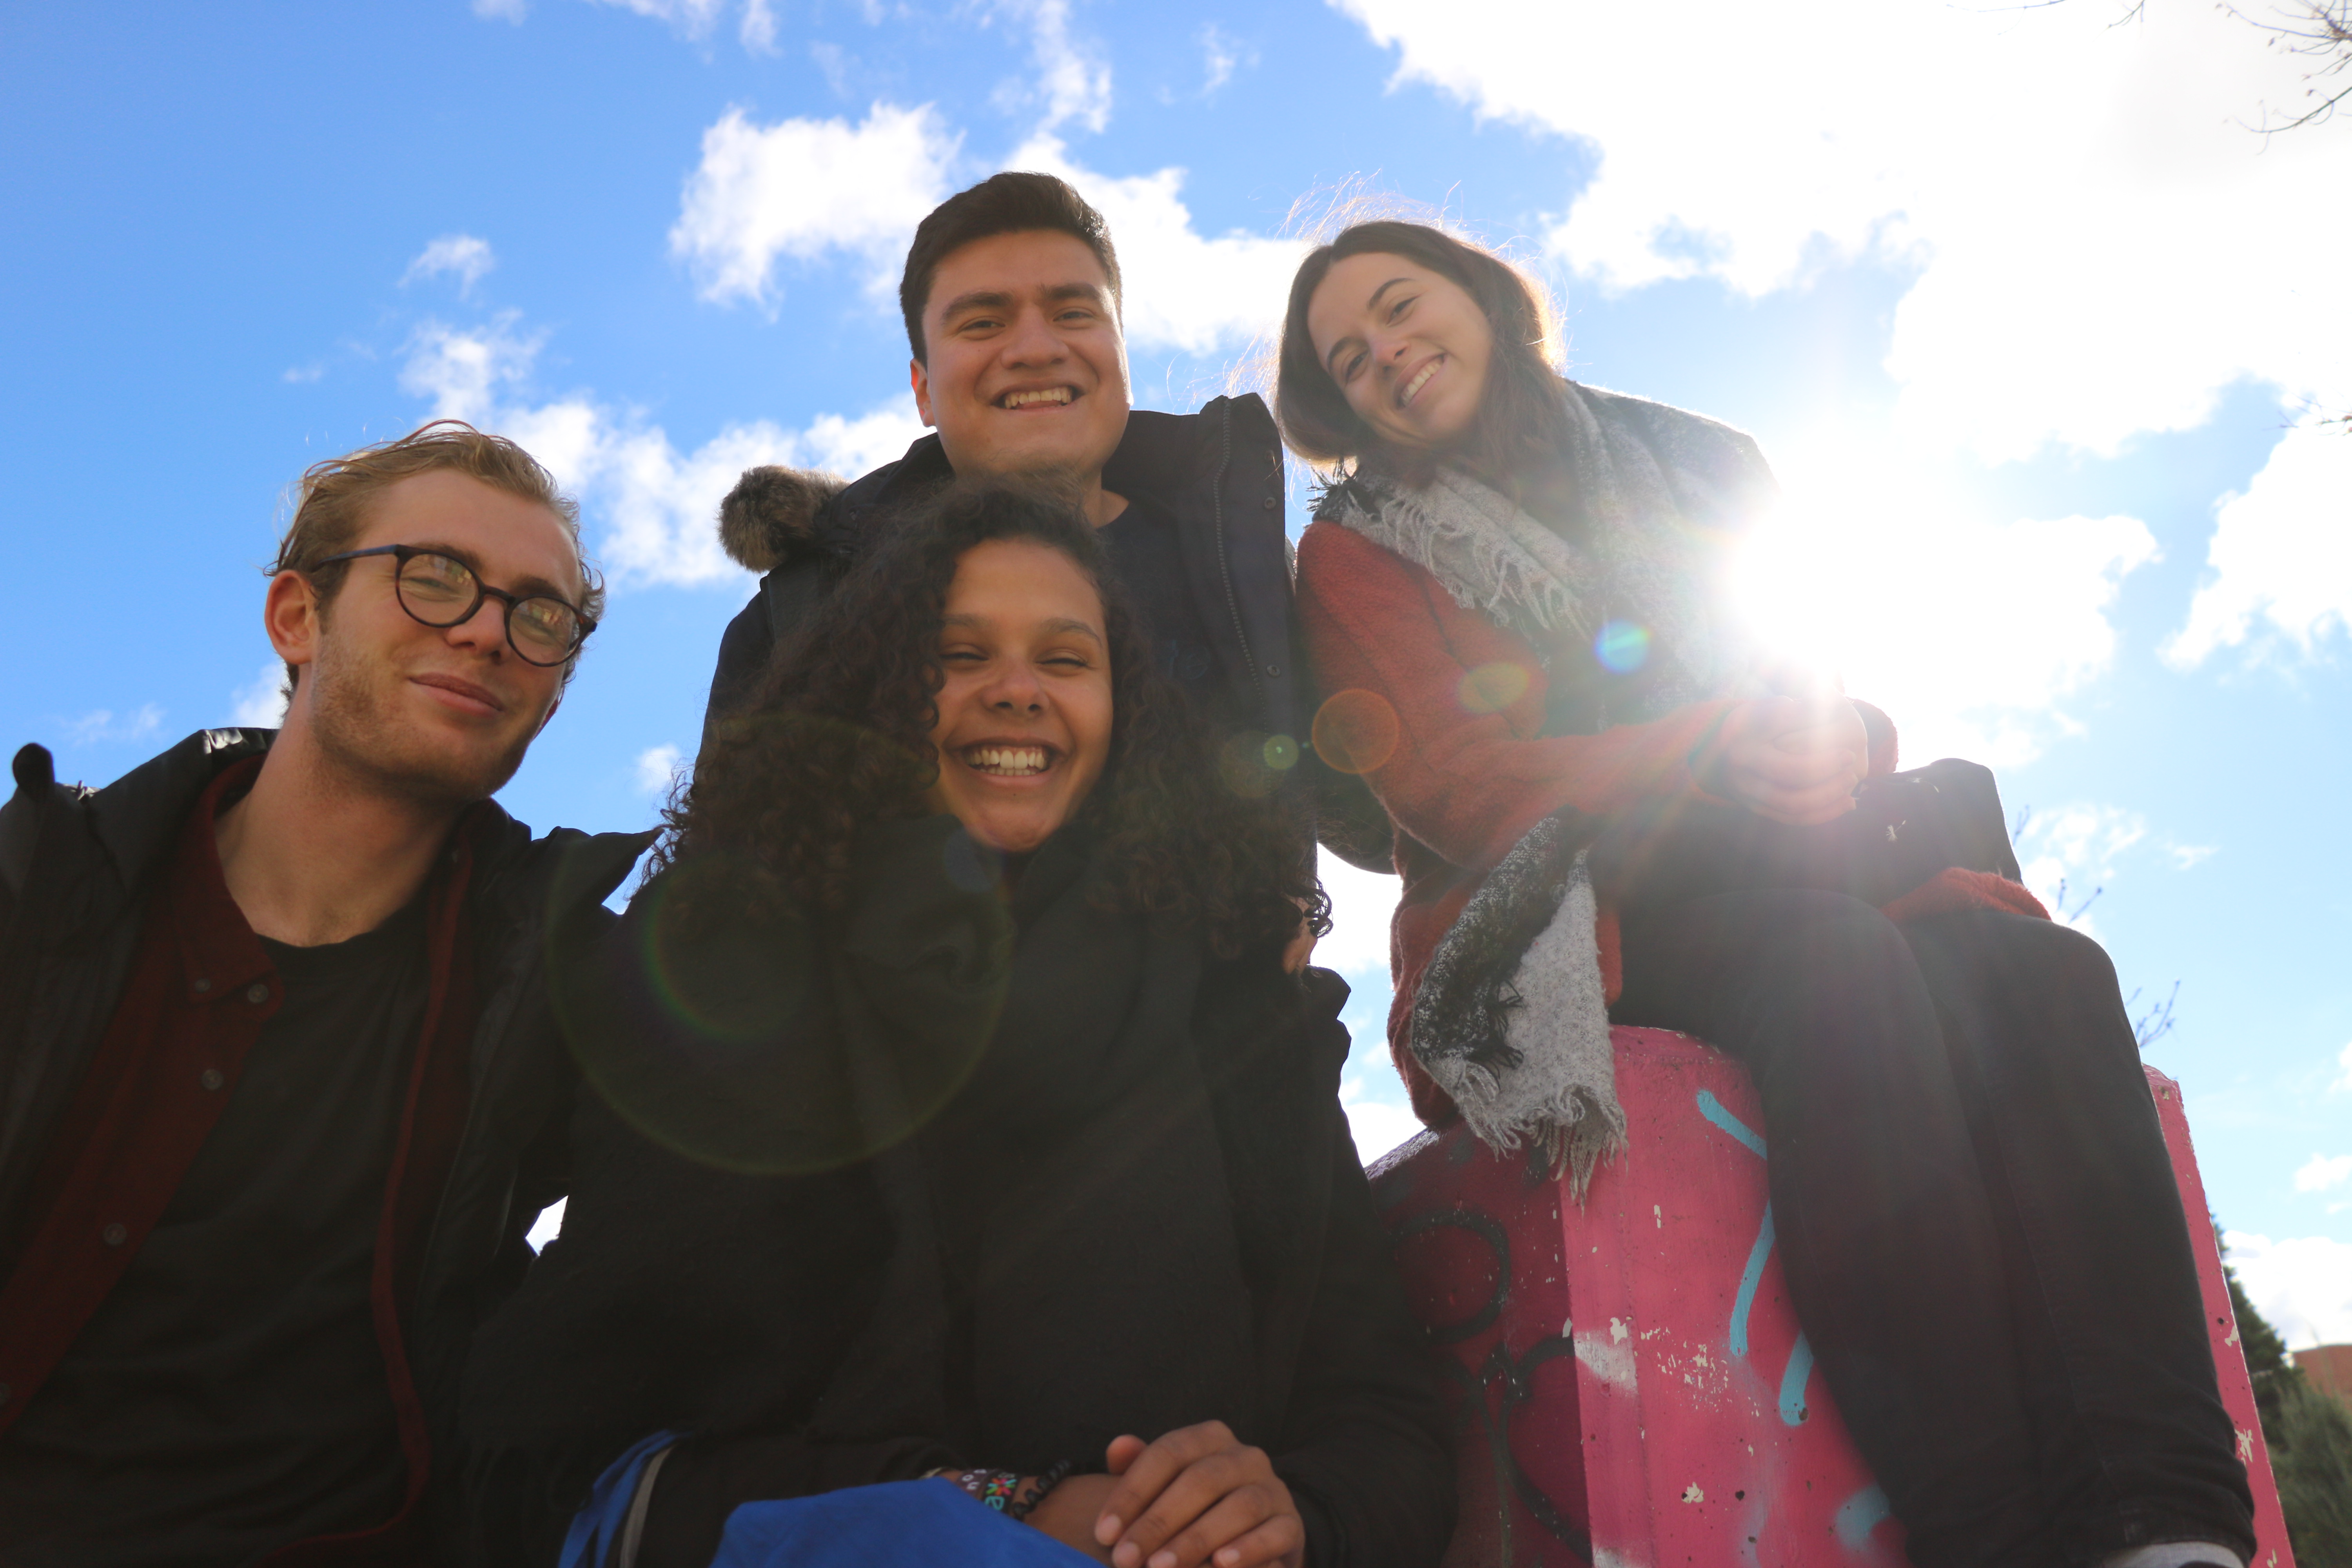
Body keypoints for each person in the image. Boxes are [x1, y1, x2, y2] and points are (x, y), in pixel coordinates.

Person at [1274, 220, 2257, 1568]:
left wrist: (1832, 735)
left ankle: (2169, 1523)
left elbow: (1805, 676)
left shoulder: (1696, 461)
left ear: (1491, 303)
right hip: (1572, 916)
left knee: (2047, 975)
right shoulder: (1357, 552)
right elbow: (1453, 783)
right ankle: (1996, 1537)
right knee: (1833, 969)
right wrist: (1706, 746)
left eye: (1399, 308)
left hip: (1801, 853)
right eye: (1349, 357)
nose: (1384, 354)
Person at [457, 482, 1453, 1568]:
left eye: (1067, 660)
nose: (1019, 691)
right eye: (960, 655)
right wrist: (994, 1511)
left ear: (1124, 715)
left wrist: (1293, 1514)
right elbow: (581, 1460)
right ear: (880, 691)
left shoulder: (1240, 1006)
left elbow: (1385, 1420)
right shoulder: (719, 967)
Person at [0, 421, 652, 1566]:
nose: (491, 631)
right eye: (436, 577)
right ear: (298, 618)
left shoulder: (560, 985)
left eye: (540, 616)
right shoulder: (40, 897)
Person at [701, 170, 1393, 874]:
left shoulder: (1241, 569)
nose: (1035, 348)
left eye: (1072, 314)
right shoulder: (807, 610)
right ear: (923, 392)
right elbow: (723, 900)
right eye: (982, 323)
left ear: (1121, 354)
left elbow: (1381, 823)